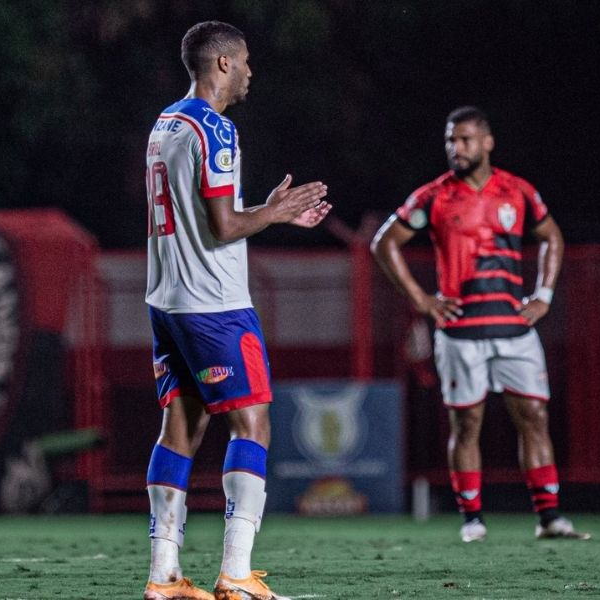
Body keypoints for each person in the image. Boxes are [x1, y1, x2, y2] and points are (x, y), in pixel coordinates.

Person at [143, 21, 331, 600]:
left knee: (180, 429)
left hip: (166, 299)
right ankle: (237, 575)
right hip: (214, 305)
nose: (250, 71)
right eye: (245, 61)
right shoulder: (217, 129)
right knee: (253, 423)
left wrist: (264, 208)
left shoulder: (165, 123)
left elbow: (205, 213)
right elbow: (223, 227)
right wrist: (272, 216)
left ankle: (164, 577)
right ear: (221, 65)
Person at [371, 106, 589, 543]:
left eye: (466, 139)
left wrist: (543, 295)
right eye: (451, 140)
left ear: (487, 142)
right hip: (459, 331)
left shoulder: (518, 191)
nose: (457, 148)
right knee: (466, 424)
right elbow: (385, 242)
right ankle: (472, 519)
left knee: (534, 415)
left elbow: (552, 238)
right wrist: (421, 300)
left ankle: (549, 517)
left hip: (514, 328)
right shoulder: (433, 196)